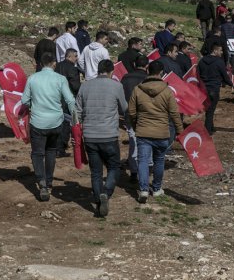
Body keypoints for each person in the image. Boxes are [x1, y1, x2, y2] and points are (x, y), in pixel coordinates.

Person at [75, 60, 127, 217]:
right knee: (114, 166)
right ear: (111, 72)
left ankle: (98, 201)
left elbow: (77, 112)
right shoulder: (116, 86)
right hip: (109, 134)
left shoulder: (85, 86)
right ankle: (106, 192)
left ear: (98, 71)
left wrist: (76, 133)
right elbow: (124, 108)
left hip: (90, 136)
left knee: (96, 171)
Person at [22, 52, 76, 201]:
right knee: (51, 151)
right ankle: (49, 181)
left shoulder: (32, 78)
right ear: (54, 63)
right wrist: (75, 120)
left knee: (37, 153)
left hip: (38, 122)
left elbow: (24, 100)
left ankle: (42, 182)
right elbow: (70, 100)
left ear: (40, 64)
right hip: (56, 122)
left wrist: (33, 104)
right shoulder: (60, 79)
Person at [128, 61, 183, 203]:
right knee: (159, 160)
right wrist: (180, 130)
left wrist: (136, 126)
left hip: (143, 131)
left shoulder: (137, 90)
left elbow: (131, 112)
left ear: (147, 71)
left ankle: (144, 190)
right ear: (161, 73)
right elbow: (174, 113)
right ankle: (157, 189)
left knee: (143, 161)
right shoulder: (167, 91)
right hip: (161, 132)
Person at [120, 55, 149, 183]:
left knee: (133, 142)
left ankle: (133, 171)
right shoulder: (148, 79)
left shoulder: (125, 78)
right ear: (146, 66)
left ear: (135, 64)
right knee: (146, 143)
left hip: (129, 114)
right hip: (145, 115)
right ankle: (144, 170)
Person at [197, 43, 232, 135]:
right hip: (214, 89)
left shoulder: (202, 60)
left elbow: (197, 74)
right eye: (220, 50)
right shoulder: (219, 62)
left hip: (203, 89)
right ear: (215, 51)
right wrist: (232, 84)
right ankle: (207, 131)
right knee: (210, 110)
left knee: (209, 109)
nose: (222, 52)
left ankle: (211, 127)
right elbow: (225, 76)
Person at [55, 48, 81, 157]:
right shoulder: (72, 68)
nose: (77, 58)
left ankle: (55, 147)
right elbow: (75, 86)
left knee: (57, 122)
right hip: (67, 99)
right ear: (69, 56)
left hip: (56, 97)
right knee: (66, 124)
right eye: (75, 56)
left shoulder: (57, 66)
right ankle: (60, 149)